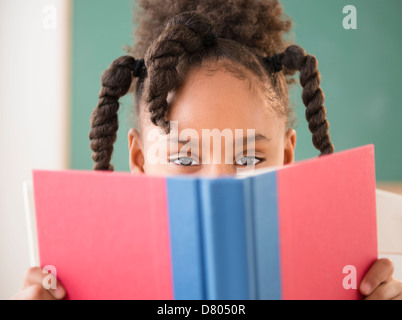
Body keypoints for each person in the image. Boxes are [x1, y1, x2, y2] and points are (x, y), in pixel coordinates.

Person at [12, 0, 402, 300]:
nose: (220, 187)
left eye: (248, 158)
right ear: (139, 160)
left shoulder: (336, 276)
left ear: (286, 157)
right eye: (184, 158)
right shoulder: (87, 282)